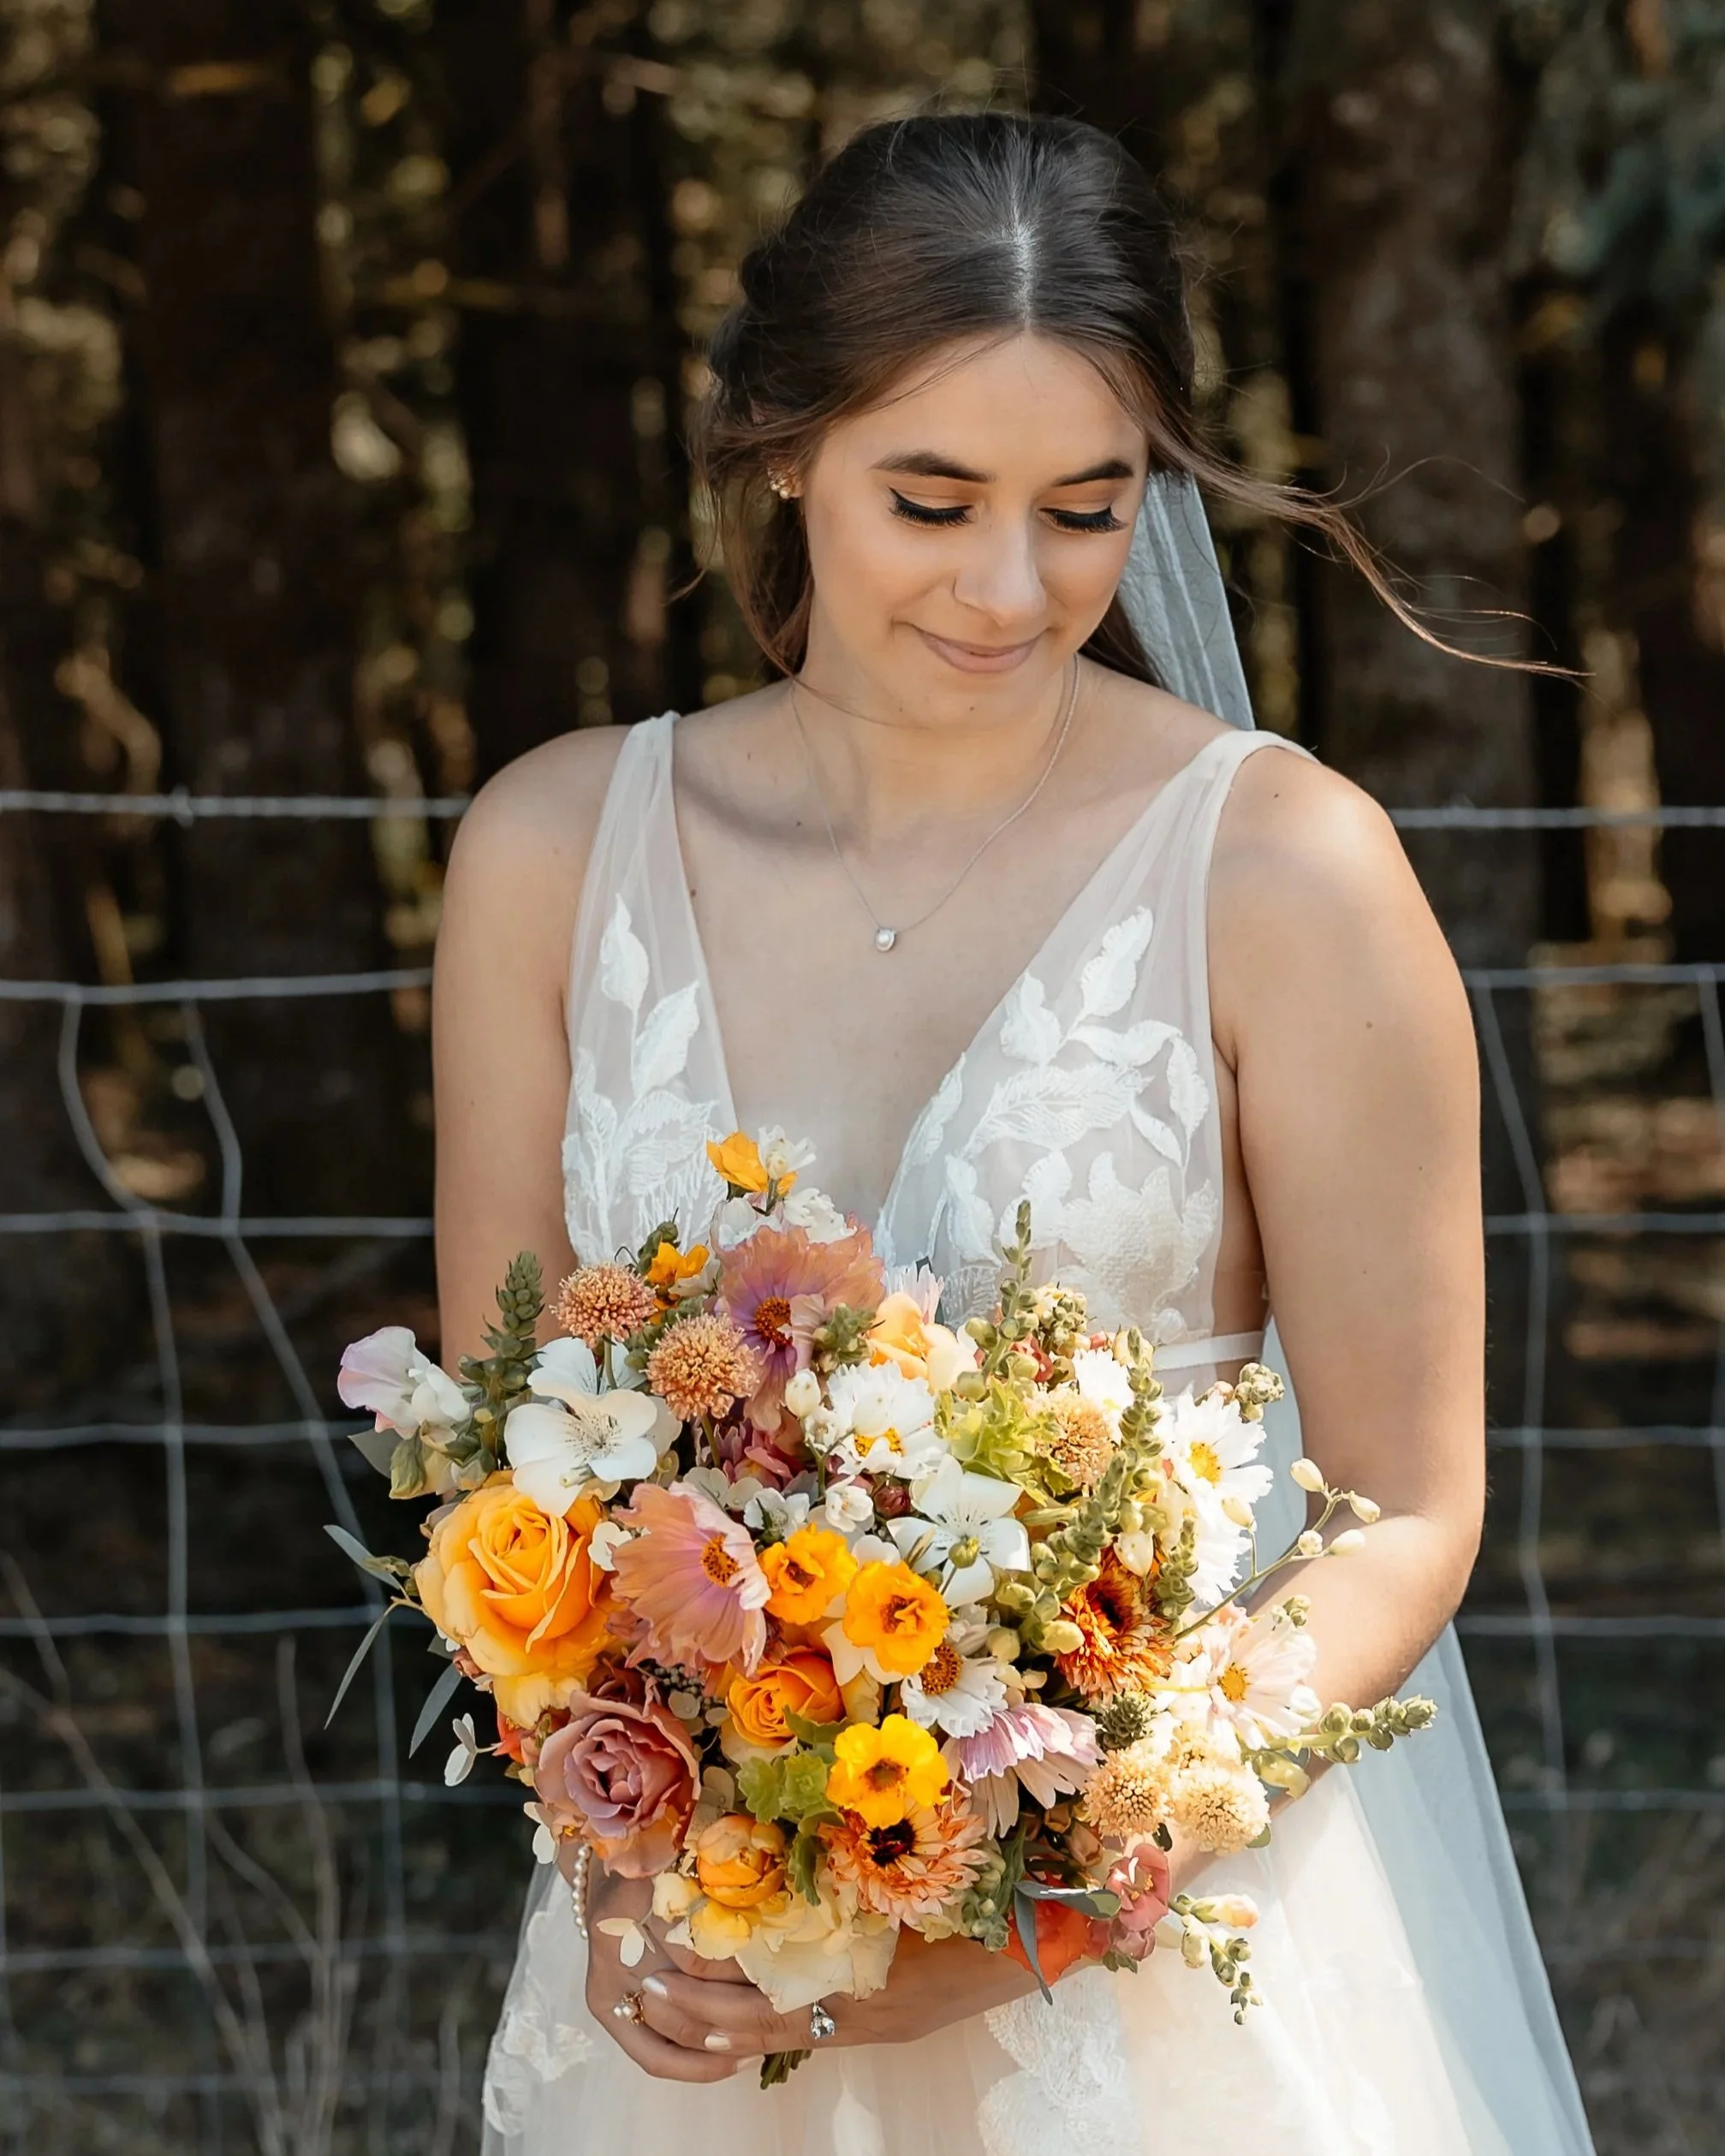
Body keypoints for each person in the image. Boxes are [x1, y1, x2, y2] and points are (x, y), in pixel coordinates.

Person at [436, 112, 1595, 2156]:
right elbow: (492, 1448)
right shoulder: (552, 848)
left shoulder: (1287, 871)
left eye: (1084, 505)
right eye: (931, 496)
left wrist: (1036, 1910)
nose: (1007, 585)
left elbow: (1405, 1511)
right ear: (783, 448)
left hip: (1160, 1998)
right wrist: (629, 1849)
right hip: (703, 1997)